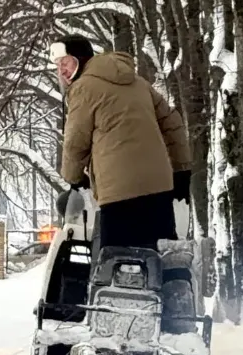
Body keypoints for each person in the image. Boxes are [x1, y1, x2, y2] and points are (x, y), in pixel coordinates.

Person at [50, 34, 192, 252]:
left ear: (80, 59)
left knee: (115, 263)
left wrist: (74, 179)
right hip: (160, 189)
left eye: (65, 63)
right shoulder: (139, 83)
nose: (62, 71)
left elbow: (75, 143)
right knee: (163, 258)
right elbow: (173, 123)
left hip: (119, 196)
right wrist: (182, 172)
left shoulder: (83, 88)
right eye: (58, 66)